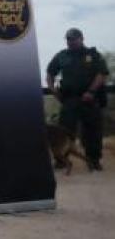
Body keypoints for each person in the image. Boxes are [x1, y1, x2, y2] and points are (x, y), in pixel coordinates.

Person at [46, 28, 109, 171]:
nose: (71, 41)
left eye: (74, 38)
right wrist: (53, 90)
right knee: (63, 132)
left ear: (81, 38)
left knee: (92, 131)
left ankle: (94, 160)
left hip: (89, 98)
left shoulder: (92, 55)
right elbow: (50, 73)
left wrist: (91, 91)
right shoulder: (61, 56)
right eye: (68, 39)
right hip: (69, 99)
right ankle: (61, 161)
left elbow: (102, 74)